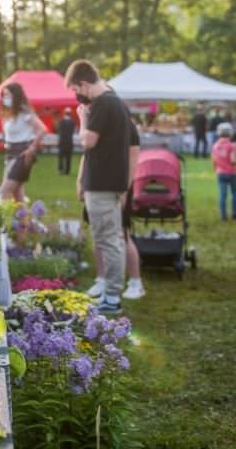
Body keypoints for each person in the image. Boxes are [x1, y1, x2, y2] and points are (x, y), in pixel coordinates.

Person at [65, 59, 131, 314]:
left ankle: (112, 297)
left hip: (104, 183)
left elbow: (88, 141)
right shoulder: (112, 101)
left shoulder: (104, 102)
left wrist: (83, 119)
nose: (76, 96)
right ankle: (109, 291)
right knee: (106, 238)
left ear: (83, 83)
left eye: (74, 89)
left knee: (109, 239)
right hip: (106, 180)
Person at [84, 115, 145, 300]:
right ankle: (101, 278)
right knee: (98, 235)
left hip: (117, 188)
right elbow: (87, 156)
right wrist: (81, 180)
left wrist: (125, 189)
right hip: (95, 187)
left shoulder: (127, 128)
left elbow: (133, 159)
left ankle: (135, 281)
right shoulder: (99, 126)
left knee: (121, 235)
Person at [0, 83, 46, 202]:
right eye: (3, 95)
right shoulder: (9, 114)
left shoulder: (25, 113)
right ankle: (25, 220)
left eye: (8, 95)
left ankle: (8, 218)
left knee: (5, 191)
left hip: (22, 153)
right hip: (10, 154)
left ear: (16, 96)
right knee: (17, 194)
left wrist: (33, 147)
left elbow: (42, 129)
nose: (5, 98)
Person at [211, 122, 236, 221]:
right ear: (230, 133)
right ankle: (234, 213)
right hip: (233, 173)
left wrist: (216, 170)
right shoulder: (232, 146)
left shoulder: (215, 146)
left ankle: (223, 216)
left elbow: (213, 161)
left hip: (220, 173)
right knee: (234, 194)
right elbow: (233, 160)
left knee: (222, 195)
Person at [57, 107, 76, 175]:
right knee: (68, 157)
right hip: (69, 141)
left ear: (64, 113)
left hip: (62, 141)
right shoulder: (73, 122)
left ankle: (61, 170)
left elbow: (58, 131)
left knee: (61, 157)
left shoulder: (61, 121)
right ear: (70, 114)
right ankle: (67, 171)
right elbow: (73, 131)